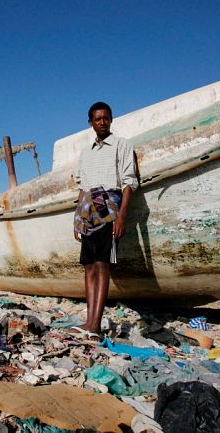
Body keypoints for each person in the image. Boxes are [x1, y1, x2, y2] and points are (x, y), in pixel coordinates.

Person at [71, 101, 137, 338]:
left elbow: (129, 183)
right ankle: (88, 321)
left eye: (106, 118)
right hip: (88, 211)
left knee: (102, 264)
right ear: (90, 122)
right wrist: (77, 218)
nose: (102, 122)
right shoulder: (86, 152)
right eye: (97, 119)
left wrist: (121, 217)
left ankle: (96, 326)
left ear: (111, 120)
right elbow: (82, 188)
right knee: (89, 266)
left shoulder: (121, 146)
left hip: (109, 208)